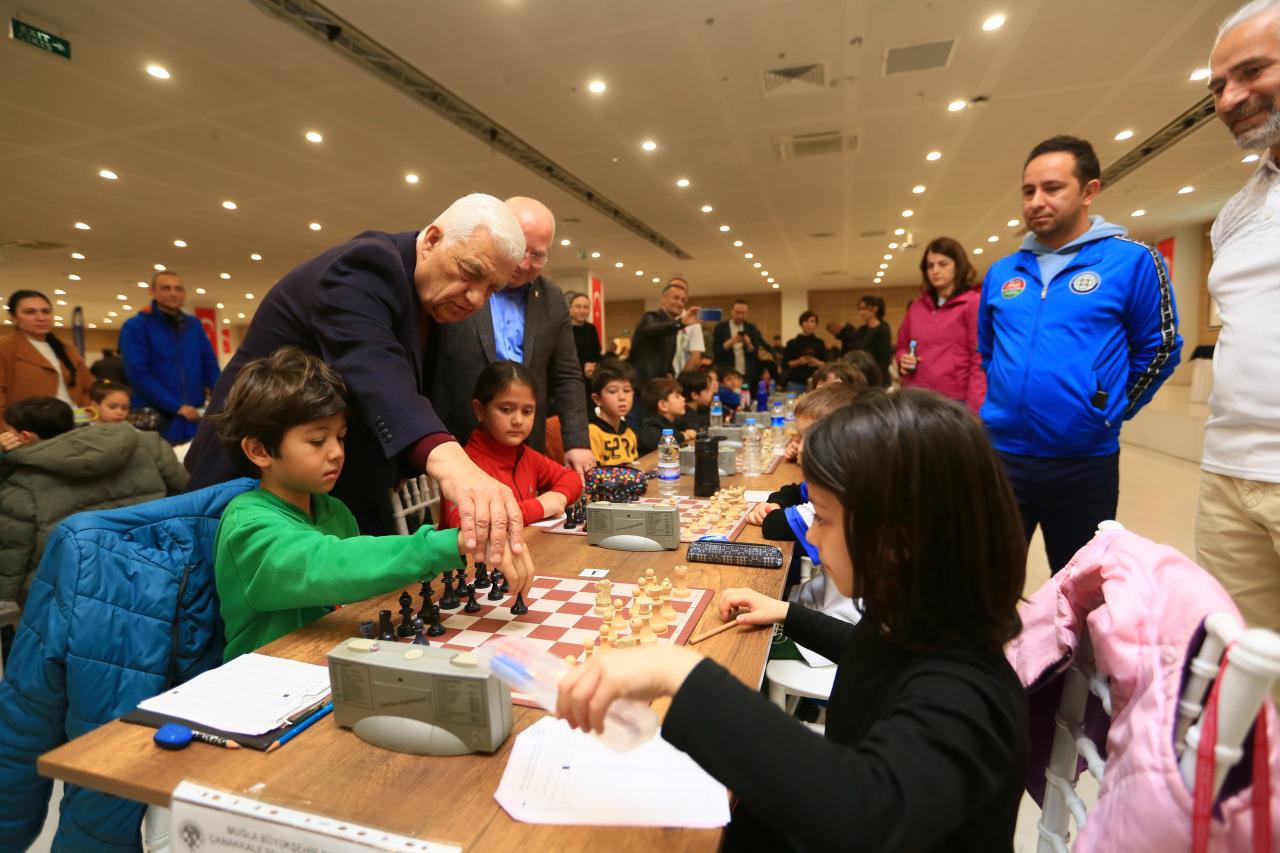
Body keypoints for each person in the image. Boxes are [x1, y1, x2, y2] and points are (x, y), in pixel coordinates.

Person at [556, 389, 1029, 851]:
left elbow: (864, 814)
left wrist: (678, 673)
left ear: (897, 539)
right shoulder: (912, 621)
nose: (814, 537)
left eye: (822, 517)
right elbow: (869, 653)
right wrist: (789, 613)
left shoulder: (969, 693)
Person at [185, 193, 532, 569]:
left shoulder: (437, 301)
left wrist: (404, 466)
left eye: (492, 288)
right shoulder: (366, 266)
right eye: (470, 272)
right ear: (432, 240)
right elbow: (373, 369)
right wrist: (455, 466)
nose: (477, 298)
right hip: (252, 478)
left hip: (335, 488)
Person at [210, 348, 531, 662]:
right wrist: (454, 544)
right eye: (318, 440)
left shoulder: (334, 511)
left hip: (330, 664)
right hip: (267, 688)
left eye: (341, 437)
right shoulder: (247, 523)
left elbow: (362, 584)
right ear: (259, 450)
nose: (336, 452)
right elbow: (331, 565)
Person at [979, 135, 1181, 573]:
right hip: (1003, 457)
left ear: (1089, 191)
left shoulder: (1131, 260)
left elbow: (1161, 346)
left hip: (1083, 462)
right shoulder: (1002, 272)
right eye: (1028, 191)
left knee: (1077, 586)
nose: (1036, 201)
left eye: (1052, 188)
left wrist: (1108, 412)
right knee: (987, 577)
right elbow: (989, 352)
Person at [1197, 0, 1280, 641]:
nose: (1230, 98)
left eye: (1253, 71)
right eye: (1219, 84)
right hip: (1230, 474)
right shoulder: (1235, 212)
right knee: (1242, 669)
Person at [426, 198, 593, 479]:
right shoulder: (461, 282)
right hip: (456, 439)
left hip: (525, 446)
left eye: (538, 255)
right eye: (520, 249)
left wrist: (577, 441)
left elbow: (566, 375)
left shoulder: (553, 299)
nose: (525, 263)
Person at [0, 397, 187, 604]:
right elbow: (185, 495)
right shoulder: (148, 445)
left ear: (25, 437)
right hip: (152, 568)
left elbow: (13, 551)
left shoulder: (22, 481)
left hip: (67, 589)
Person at [443, 361, 581, 527]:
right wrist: (539, 506)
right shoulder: (464, 465)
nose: (518, 421)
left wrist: (558, 497)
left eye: (527, 411)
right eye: (506, 409)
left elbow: (571, 478)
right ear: (479, 410)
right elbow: (465, 525)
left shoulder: (526, 455)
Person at [118, 271, 221, 446]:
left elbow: (209, 364)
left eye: (178, 289)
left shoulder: (193, 325)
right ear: (152, 292)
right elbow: (138, 374)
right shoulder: (135, 326)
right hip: (155, 417)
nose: (173, 293)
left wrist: (223, 396)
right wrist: (176, 406)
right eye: (166, 288)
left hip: (193, 416)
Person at [895, 237, 986, 412]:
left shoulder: (973, 303)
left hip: (954, 400)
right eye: (930, 266)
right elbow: (901, 346)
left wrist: (975, 409)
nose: (935, 271)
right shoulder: (916, 306)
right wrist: (903, 358)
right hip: (915, 397)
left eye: (943, 264)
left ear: (958, 266)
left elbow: (979, 359)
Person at [0, 290, 93, 432]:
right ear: (13, 317)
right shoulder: (5, 347)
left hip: (76, 425)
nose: (41, 318)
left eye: (46, 311)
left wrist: (89, 414)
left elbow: (89, 387)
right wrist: (8, 431)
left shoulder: (67, 348)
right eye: (30, 312)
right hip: (30, 431)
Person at [627, 279, 702, 386]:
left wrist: (671, 375)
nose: (680, 303)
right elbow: (654, 329)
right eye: (676, 298)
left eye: (683, 300)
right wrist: (680, 323)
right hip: (642, 387)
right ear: (663, 299)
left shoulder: (673, 327)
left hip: (659, 387)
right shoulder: (650, 317)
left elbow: (667, 359)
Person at [827, 296, 892, 387]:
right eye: (859, 309)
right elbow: (853, 346)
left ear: (874, 309)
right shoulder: (862, 329)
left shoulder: (883, 328)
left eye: (864, 308)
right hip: (862, 376)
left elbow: (884, 356)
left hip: (878, 377)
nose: (861, 312)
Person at [587, 360, 639, 467]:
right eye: (612, 391)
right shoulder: (592, 433)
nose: (622, 397)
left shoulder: (629, 433)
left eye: (627, 390)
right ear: (597, 399)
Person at [712, 299, 766, 388]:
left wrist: (748, 344)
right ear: (732, 311)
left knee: (746, 398)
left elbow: (755, 353)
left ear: (747, 313)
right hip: (726, 375)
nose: (740, 316)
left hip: (747, 374)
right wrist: (730, 342)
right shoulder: (721, 327)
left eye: (743, 313)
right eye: (737, 312)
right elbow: (716, 351)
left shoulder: (751, 328)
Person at [637, 377, 696, 454]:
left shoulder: (675, 420)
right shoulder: (650, 423)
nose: (683, 399)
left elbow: (692, 424)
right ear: (663, 405)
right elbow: (658, 441)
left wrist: (691, 430)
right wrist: (683, 435)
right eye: (677, 396)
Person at [782, 311, 826, 392]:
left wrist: (816, 362)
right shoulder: (792, 343)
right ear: (801, 323)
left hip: (816, 382)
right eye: (806, 321)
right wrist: (799, 361)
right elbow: (785, 364)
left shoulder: (820, 343)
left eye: (812, 321)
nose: (809, 324)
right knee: (794, 404)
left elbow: (826, 364)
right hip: (795, 382)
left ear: (816, 324)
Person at [567, 291, 603, 382]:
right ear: (570, 309)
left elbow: (596, 354)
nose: (582, 310)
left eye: (586, 307)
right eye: (578, 307)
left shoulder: (591, 329)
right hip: (569, 378)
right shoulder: (564, 330)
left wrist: (594, 366)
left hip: (590, 378)